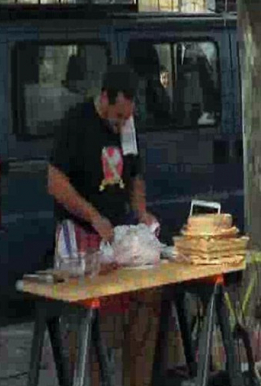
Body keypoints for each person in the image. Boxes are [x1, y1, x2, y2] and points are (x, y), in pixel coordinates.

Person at [48, 64, 160, 386]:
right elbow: (55, 182)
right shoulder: (75, 122)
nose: (122, 123)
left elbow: (134, 175)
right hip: (78, 234)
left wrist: (141, 213)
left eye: (127, 117)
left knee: (138, 307)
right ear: (104, 98)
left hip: (114, 234)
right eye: (117, 116)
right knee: (88, 322)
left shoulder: (128, 126)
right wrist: (92, 215)